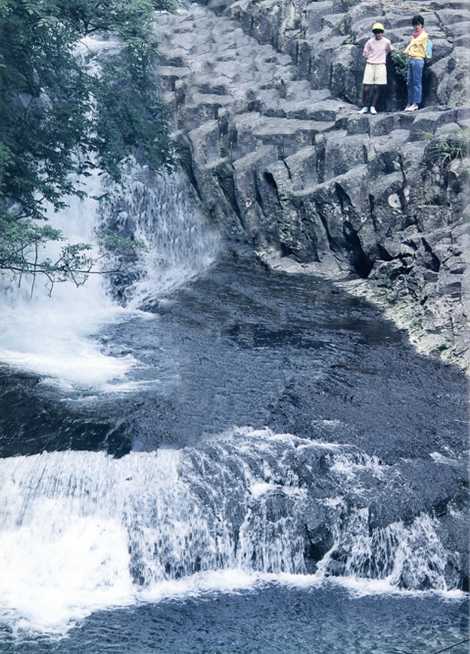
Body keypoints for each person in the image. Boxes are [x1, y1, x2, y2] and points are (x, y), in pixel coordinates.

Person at [359, 22, 392, 115]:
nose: (378, 34)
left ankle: (373, 106)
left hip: (381, 65)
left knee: (378, 87)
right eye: (376, 32)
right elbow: (365, 53)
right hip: (370, 64)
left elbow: (389, 50)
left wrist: (382, 56)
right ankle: (365, 106)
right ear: (374, 33)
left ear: (382, 32)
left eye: (380, 32)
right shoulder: (370, 42)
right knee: (366, 87)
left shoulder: (386, 42)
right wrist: (371, 56)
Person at [404, 15, 428, 111]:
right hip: (411, 59)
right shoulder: (413, 35)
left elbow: (415, 43)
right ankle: (409, 102)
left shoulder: (424, 35)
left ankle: (415, 103)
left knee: (417, 83)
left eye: (418, 24)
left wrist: (406, 50)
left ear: (422, 25)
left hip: (418, 60)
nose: (416, 27)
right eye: (415, 25)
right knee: (409, 82)